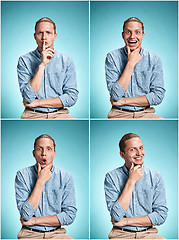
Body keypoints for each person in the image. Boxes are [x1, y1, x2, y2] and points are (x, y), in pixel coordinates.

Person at [104, 133, 168, 239]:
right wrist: (131, 181)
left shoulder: (155, 176)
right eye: (132, 150)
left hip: (149, 234)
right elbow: (116, 215)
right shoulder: (111, 177)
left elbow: (161, 215)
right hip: (121, 235)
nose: (139, 153)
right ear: (122, 155)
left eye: (141, 148)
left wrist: (126, 221)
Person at [15, 134, 77, 239]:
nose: (44, 154)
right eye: (39, 149)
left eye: (49, 149)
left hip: (57, 234)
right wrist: (40, 181)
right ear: (34, 154)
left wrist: (34, 220)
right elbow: (26, 215)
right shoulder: (22, 175)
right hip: (29, 234)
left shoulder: (66, 176)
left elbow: (69, 215)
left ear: (54, 153)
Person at [17, 17, 79, 119]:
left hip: (60, 114)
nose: (44, 37)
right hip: (32, 114)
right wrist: (42, 65)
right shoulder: (24, 60)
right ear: (34, 36)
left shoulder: (67, 60)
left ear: (55, 36)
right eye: (40, 33)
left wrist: (37, 102)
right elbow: (28, 97)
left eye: (48, 33)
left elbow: (72, 98)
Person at [105, 17, 165, 119]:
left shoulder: (154, 58)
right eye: (128, 32)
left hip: (147, 113)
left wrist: (124, 101)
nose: (132, 36)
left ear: (143, 35)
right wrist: (130, 63)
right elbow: (115, 96)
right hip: (119, 113)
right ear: (123, 35)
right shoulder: (112, 57)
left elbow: (158, 96)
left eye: (137, 32)